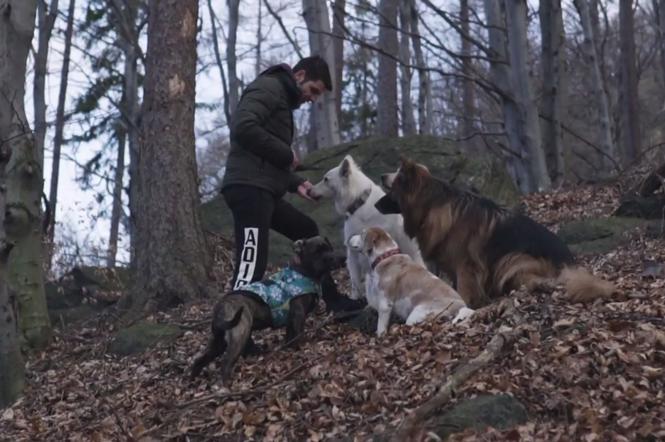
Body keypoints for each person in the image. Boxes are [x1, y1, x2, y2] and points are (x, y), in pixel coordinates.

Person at [221, 56, 364, 312]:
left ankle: (333, 301)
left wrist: (294, 182)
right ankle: (233, 329)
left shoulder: (281, 98)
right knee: (251, 265)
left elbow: (262, 156)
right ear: (299, 76)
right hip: (248, 189)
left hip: (262, 187)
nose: (313, 98)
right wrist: (287, 155)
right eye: (313, 91)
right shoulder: (268, 87)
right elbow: (243, 127)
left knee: (306, 229)